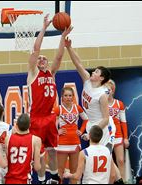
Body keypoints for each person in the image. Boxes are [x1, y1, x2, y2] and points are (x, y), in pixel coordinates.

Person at [65, 37, 125, 184]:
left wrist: (93, 131)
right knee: (105, 159)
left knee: (107, 160)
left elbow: (105, 118)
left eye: (96, 72)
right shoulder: (87, 80)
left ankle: (118, 181)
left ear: (101, 77)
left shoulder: (102, 95)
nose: (93, 72)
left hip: (104, 127)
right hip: (94, 124)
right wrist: (69, 48)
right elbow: (78, 63)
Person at [27, 13, 73, 183]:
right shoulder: (33, 73)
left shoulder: (51, 74)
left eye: (44, 58)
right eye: (39, 58)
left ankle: (53, 177)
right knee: (39, 153)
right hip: (36, 118)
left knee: (52, 150)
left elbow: (59, 56)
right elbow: (36, 49)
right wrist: (44, 29)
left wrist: (63, 37)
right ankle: (40, 179)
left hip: (49, 118)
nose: (42, 59)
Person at [53, 87, 89, 183]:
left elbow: (86, 119)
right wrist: (57, 131)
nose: (68, 97)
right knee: (60, 170)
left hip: (75, 143)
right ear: (62, 97)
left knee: (74, 170)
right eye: (66, 95)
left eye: (70, 95)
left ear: (73, 96)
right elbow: (49, 123)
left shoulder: (77, 107)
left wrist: (81, 130)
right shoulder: (58, 109)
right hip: (62, 144)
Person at [4, 113, 42, 184]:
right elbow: (37, 167)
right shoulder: (36, 140)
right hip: (24, 180)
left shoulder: (8, 138)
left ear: (16, 125)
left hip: (9, 180)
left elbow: (6, 161)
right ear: (30, 125)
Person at [106, 79, 129, 182]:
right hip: (106, 136)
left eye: (109, 89)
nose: (107, 91)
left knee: (120, 160)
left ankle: (123, 180)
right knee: (108, 163)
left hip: (118, 135)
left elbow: (123, 122)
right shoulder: (101, 103)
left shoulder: (119, 104)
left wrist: (125, 138)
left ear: (113, 90)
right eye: (105, 89)